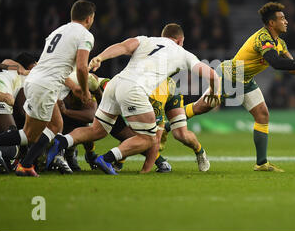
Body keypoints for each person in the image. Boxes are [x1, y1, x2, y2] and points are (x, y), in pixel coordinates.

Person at [170, 2, 295, 172]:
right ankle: (168, 126)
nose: (286, 21)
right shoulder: (263, 39)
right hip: (230, 75)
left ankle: (261, 163)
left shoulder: (280, 43)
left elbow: (292, 66)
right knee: (202, 107)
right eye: (282, 18)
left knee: (262, 115)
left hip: (245, 79)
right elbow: (277, 63)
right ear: (271, 23)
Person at [47, 23, 220, 175]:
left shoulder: (147, 40)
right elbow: (211, 74)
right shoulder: (183, 53)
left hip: (116, 83)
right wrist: (214, 90)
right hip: (134, 90)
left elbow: (123, 46)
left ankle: (61, 141)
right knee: (149, 139)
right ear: (180, 40)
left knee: (97, 130)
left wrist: (100, 57)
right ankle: (107, 159)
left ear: (163, 36)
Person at [0, 0, 96, 177]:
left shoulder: (59, 31)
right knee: (31, 134)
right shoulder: (85, 35)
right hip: (46, 86)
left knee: (55, 125)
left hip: (34, 80)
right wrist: (85, 91)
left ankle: (25, 164)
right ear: (89, 18)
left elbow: (52, 64)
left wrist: (73, 86)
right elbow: (81, 67)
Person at [0, 53, 37, 173]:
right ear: (31, 67)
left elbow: (7, 61)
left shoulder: (3, 67)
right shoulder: (27, 77)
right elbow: (22, 110)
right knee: (13, 145)